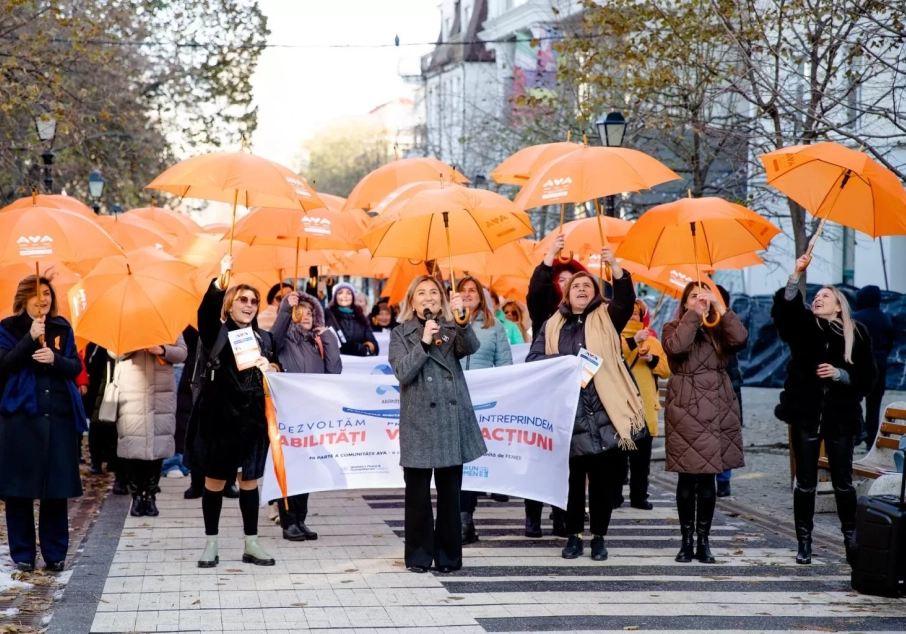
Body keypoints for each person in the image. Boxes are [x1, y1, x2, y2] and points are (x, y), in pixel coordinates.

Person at [527, 252, 647, 562]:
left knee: (603, 485)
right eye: (576, 286)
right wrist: (567, 364)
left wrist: (617, 269)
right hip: (568, 414)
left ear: (595, 294)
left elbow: (625, 297)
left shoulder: (608, 317)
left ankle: (599, 538)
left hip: (606, 411)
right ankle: (573, 537)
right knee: (572, 484)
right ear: (566, 294)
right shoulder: (552, 325)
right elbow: (534, 361)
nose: (581, 289)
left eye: (587, 286)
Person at [772, 256, 876, 565]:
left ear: (839, 306)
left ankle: (850, 540)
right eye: (815, 296)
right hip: (805, 414)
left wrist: (840, 375)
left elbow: (868, 379)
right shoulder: (805, 326)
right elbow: (784, 313)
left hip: (841, 418)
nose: (818, 299)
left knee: (843, 482)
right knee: (805, 482)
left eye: (824, 296)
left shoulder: (856, 334)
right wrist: (796, 275)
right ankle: (804, 542)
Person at [187, 255, 279, 568]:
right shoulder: (217, 331)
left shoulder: (263, 337)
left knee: (250, 481)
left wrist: (272, 367)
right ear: (230, 304)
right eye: (243, 299)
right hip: (219, 420)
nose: (250, 304)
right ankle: (211, 544)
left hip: (253, 420)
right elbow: (205, 312)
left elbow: (278, 371)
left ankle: (251, 543)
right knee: (214, 482)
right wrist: (220, 282)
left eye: (254, 300)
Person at [389, 275, 486, 573]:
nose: (428, 297)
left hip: (449, 420)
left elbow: (470, 346)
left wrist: (461, 320)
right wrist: (423, 342)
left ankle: (448, 557)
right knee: (417, 495)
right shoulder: (400, 333)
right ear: (412, 301)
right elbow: (402, 373)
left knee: (449, 494)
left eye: (434, 292)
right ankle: (418, 556)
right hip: (418, 420)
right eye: (421, 293)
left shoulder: (451, 325)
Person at [0, 276, 86, 572]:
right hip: (20, 418)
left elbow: (75, 366)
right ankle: (22, 554)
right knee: (19, 489)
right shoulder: (7, 328)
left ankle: (55, 552)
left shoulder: (62, 327)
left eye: (48, 293)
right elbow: (4, 366)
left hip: (57, 416)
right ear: (24, 298)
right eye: (37, 294)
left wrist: (55, 358)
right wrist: (29, 338)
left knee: (55, 487)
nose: (44, 299)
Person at [663, 281, 748, 564]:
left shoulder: (719, 330)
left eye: (704, 296)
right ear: (685, 301)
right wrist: (693, 315)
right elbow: (676, 349)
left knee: (709, 476)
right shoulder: (673, 328)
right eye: (693, 296)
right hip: (686, 407)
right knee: (687, 477)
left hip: (717, 406)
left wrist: (720, 308)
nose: (700, 300)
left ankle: (704, 540)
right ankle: (686, 540)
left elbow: (740, 340)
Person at [270, 289, 342, 541]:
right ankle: (288, 519)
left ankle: (301, 519)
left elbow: (334, 371)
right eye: (304, 311)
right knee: (290, 467)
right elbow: (273, 338)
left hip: (311, 414)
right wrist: (285, 309)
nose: (309, 316)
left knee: (307, 468)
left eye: (312, 312)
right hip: (288, 414)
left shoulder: (317, 342)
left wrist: (329, 339)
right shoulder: (284, 342)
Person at [524, 233, 584, 536]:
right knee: (539, 452)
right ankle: (532, 515)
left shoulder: (588, 318)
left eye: (573, 282)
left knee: (569, 455)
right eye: (562, 281)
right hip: (543, 392)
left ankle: (562, 515)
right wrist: (550, 258)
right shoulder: (543, 313)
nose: (567, 286)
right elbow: (536, 290)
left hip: (574, 395)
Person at [455, 276, 514, 544]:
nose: (467, 294)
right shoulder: (446, 323)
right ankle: (461, 519)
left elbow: (504, 366)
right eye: (462, 290)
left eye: (472, 291)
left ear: (481, 296)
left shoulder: (495, 327)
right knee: (457, 463)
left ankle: (466, 517)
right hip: (453, 401)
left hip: (483, 405)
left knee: (474, 463)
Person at [110, 337, 187, 517]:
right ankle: (136, 496)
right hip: (132, 388)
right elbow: (113, 352)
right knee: (132, 444)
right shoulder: (126, 321)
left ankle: (151, 496)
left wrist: (162, 350)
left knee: (157, 444)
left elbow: (182, 353)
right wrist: (133, 345)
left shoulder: (167, 321)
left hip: (160, 393)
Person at [618, 299, 671, 510]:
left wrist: (651, 358)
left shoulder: (654, 341)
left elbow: (666, 370)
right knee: (618, 459)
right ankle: (615, 496)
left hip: (645, 407)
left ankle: (639, 497)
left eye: (637, 313)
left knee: (641, 460)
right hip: (620, 405)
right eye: (629, 312)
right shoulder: (615, 336)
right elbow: (614, 355)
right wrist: (632, 340)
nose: (633, 315)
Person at [853, 285, 893, 449]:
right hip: (880, 364)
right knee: (874, 404)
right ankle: (871, 440)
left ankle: (860, 429)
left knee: (852, 399)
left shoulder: (856, 317)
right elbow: (890, 342)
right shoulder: (885, 318)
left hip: (860, 364)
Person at [716, 285, 744, 498]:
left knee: (727, 433)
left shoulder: (728, 322)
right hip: (703, 388)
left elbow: (739, 341)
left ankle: (724, 480)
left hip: (728, 385)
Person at [328, 282, 378, 356]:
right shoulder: (327, 315)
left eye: (348, 293)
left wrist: (359, 348)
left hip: (357, 365)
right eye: (340, 293)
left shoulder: (362, 319)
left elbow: (374, 345)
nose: (344, 296)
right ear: (335, 297)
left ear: (353, 297)